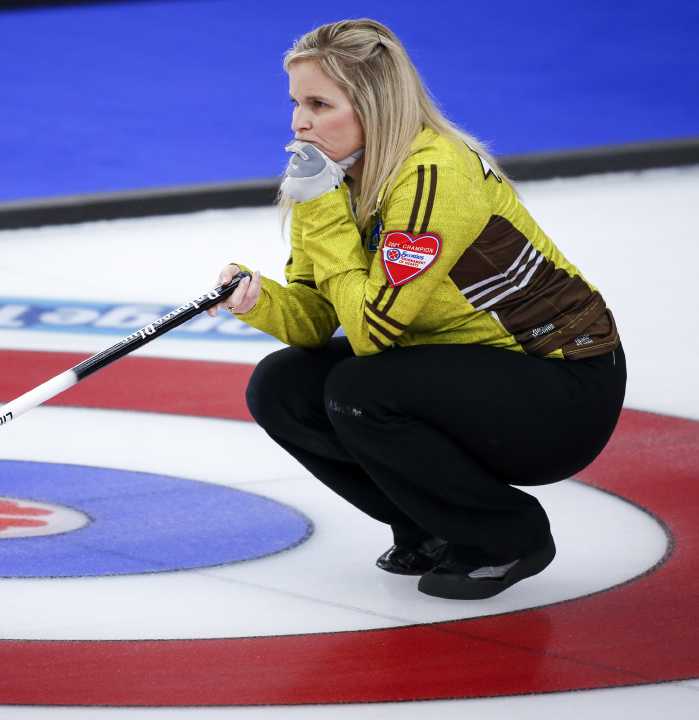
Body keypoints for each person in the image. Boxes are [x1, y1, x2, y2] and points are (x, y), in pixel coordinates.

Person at [210, 19, 626, 600]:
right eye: (296, 103)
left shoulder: (433, 175)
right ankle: (431, 528)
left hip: (562, 386)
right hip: (458, 361)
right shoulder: (333, 175)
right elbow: (315, 320)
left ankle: (506, 536)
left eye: (318, 104)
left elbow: (370, 331)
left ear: (374, 106)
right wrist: (257, 299)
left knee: (360, 386)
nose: (297, 123)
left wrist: (324, 211)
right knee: (281, 385)